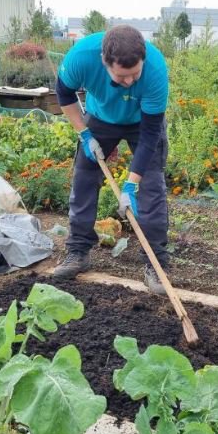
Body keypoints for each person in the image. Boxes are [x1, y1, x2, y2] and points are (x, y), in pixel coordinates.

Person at [52, 25, 170, 295]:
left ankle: (156, 264)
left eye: (134, 74)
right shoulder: (81, 57)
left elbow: (151, 133)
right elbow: (64, 93)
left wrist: (132, 185)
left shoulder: (155, 71)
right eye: (121, 76)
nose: (129, 81)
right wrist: (84, 133)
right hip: (101, 118)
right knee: (83, 180)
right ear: (105, 62)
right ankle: (78, 253)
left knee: (151, 190)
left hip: (143, 123)